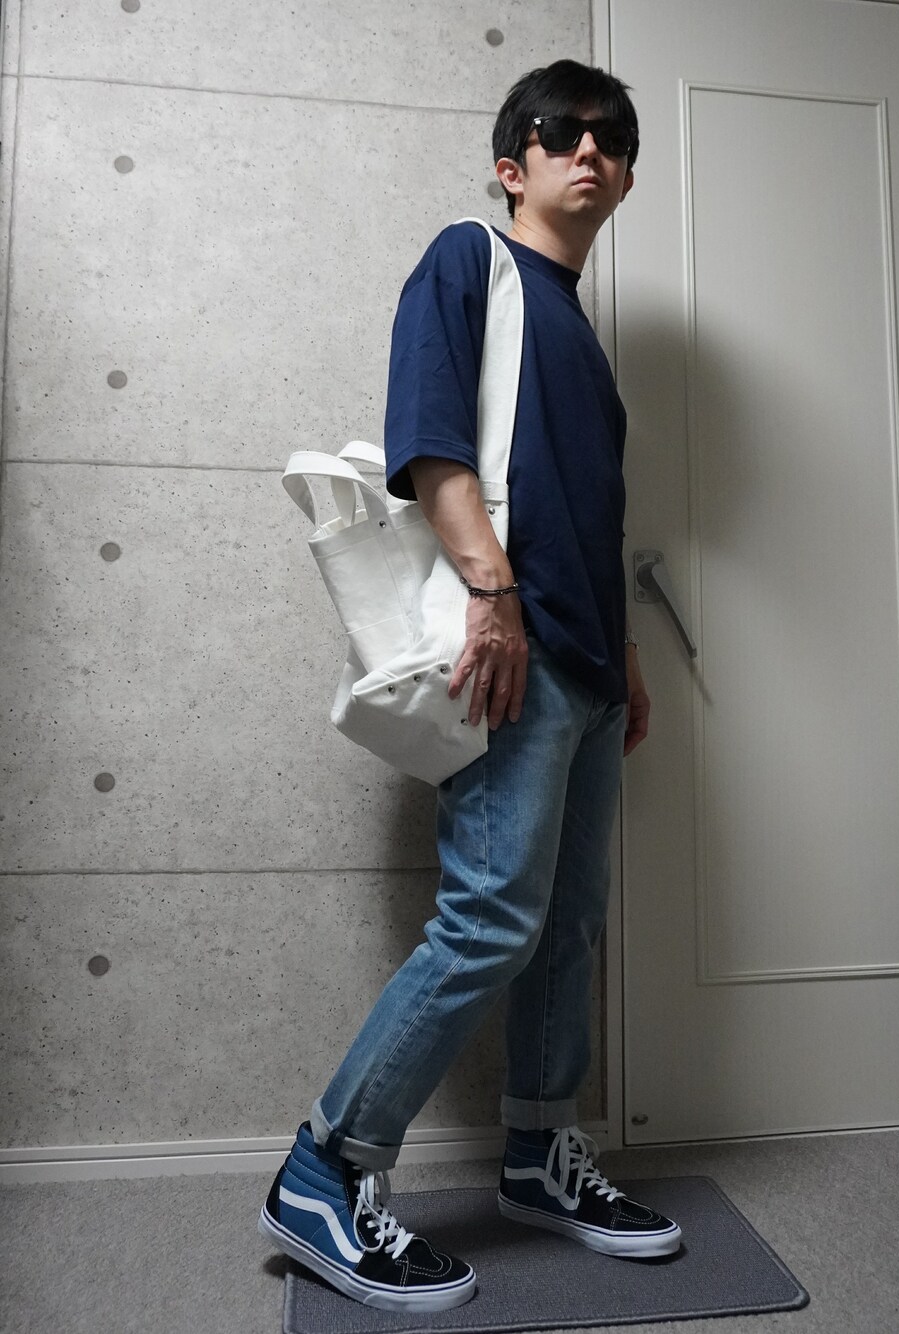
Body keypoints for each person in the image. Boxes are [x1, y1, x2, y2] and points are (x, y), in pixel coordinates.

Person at [258, 58, 681, 1312]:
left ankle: (540, 1152)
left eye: (612, 138)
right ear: (513, 163)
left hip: (585, 663)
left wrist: (624, 654)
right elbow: (430, 440)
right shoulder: (470, 261)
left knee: (569, 922)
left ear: (624, 177)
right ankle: (324, 1169)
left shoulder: (579, 334)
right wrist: (493, 594)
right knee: (492, 917)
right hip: (514, 648)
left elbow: (588, 512)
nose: (589, 150)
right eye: (562, 132)